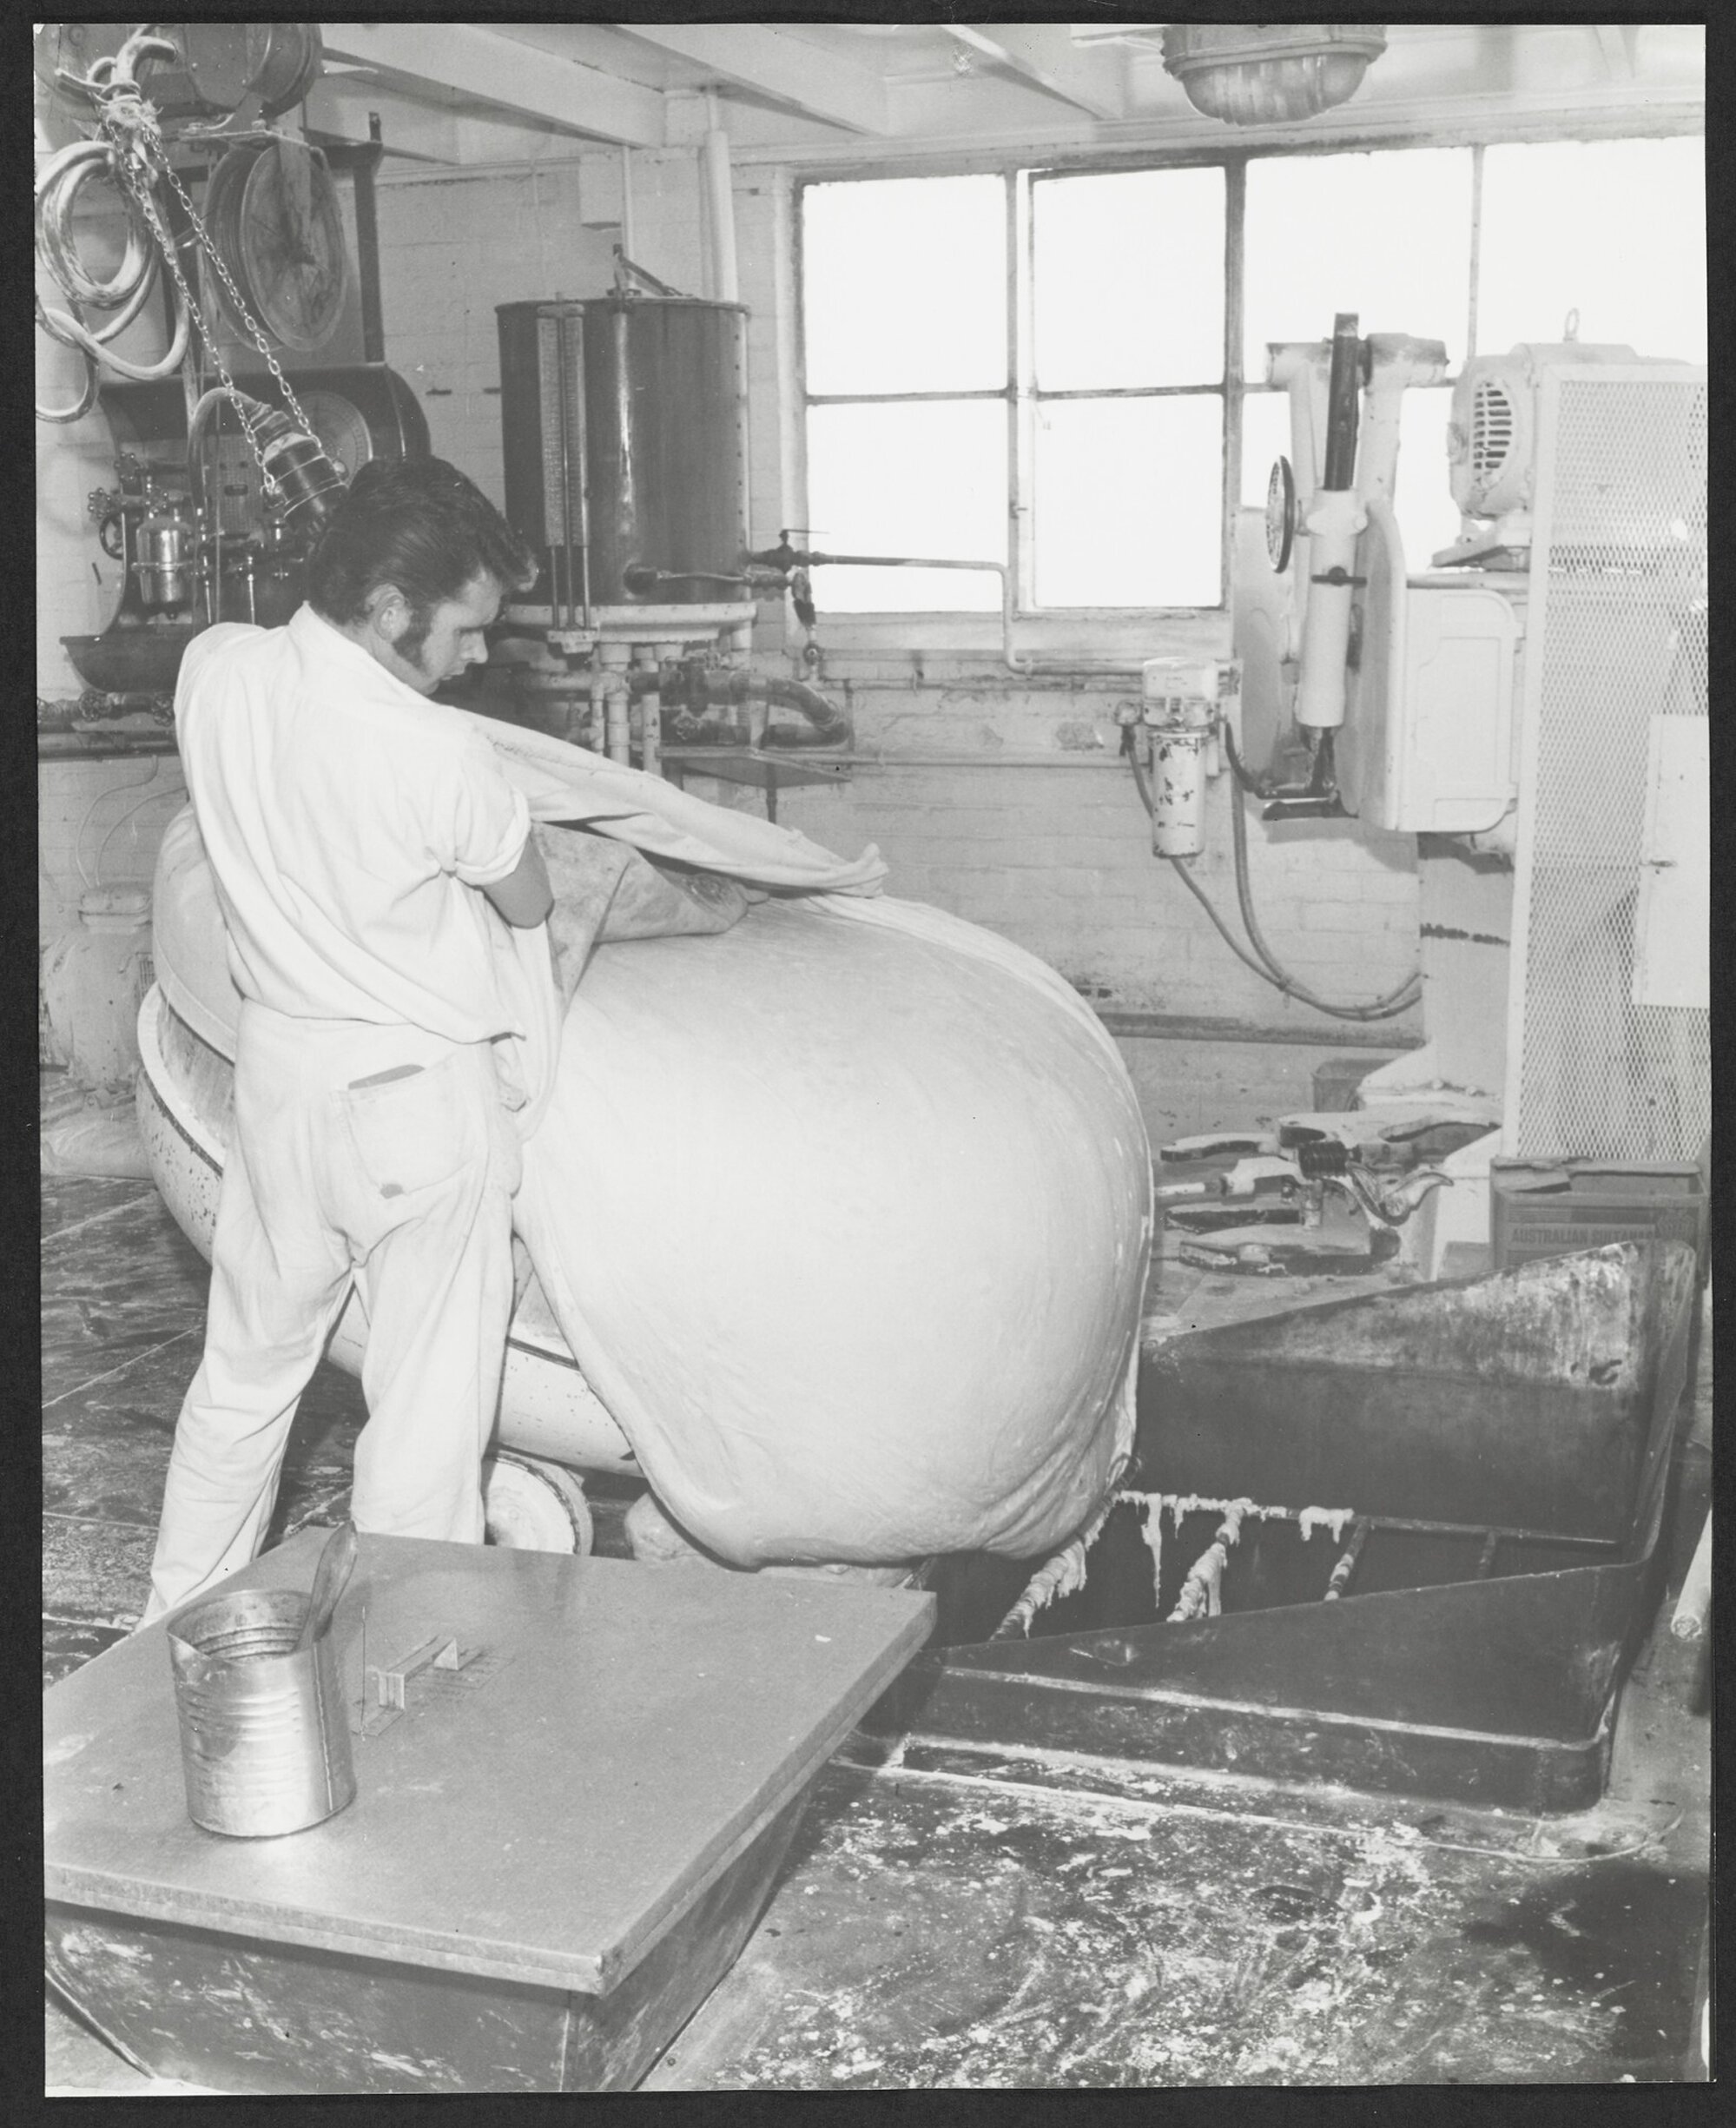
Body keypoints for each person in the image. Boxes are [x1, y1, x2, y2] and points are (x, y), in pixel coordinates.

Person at [140, 457, 551, 1624]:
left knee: (245, 1379)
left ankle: (173, 1626)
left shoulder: (213, 671)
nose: (479, 658)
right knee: (424, 1419)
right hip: (414, 1100)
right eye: (468, 631)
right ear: (386, 610)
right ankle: (410, 1674)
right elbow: (526, 901)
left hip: (277, 1084)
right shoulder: (439, 754)